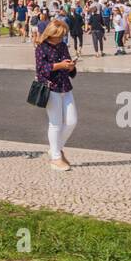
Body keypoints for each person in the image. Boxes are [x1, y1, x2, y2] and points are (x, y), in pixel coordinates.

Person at [35, 18, 78, 172]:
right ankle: (55, 158)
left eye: (63, 36)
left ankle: (56, 148)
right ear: (50, 34)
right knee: (56, 123)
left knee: (72, 121)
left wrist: (71, 66)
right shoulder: (41, 48)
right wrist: (59, 65)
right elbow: (41, 69)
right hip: (50, 87)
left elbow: (68, 68)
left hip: (65, 85)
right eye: (58, 36)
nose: (61, 39)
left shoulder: (62, 46)